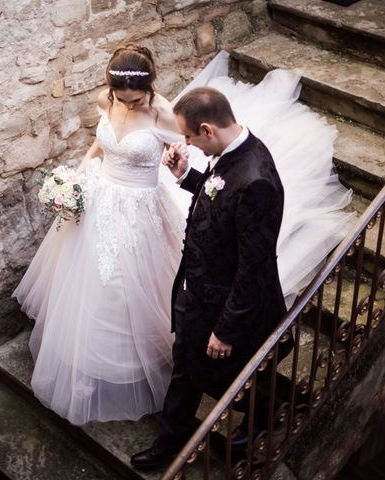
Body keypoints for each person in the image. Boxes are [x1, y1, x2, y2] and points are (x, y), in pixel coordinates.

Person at [14, 45, 186, 425]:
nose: (127, 103)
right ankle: (87, 369)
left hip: (142, 209)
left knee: (129, 287)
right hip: (99, 200)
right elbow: (100, 143)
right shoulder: (105, 100)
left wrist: (175, 163)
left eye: (135, 99)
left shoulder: (163, 112)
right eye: (120, 98)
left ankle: (130, 366)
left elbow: (183, 153)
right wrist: (75, 176)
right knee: (89, 287)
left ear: (149, 88)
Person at [130, 87, 290, 469]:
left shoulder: (257, 181)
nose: (185, 143)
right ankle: (170, 444)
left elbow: (255, 268)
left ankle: (262, 418)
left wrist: (227, 330)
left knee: (223, 375)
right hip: (198, 292)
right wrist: (186, 175)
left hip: (224, 306)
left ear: (207, 129)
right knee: (185, 367)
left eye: (188, 136)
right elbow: (221, 200)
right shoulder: (230, 151)